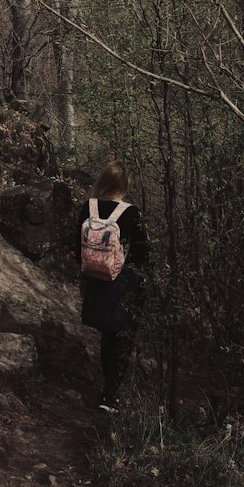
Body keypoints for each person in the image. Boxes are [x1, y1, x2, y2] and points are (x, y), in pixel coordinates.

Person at [75, 159, 150, 413]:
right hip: (122, 282)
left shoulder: (89, 207)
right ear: (125, 184)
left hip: (96, 279)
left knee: (108, 335)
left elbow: (77, 246)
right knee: (122, 337)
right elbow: (143, 254)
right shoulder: (131, 213)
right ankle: (110, 395)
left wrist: (87, 273)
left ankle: (108, 391)